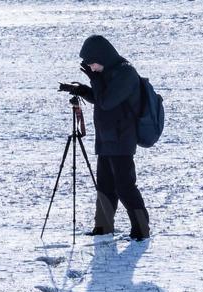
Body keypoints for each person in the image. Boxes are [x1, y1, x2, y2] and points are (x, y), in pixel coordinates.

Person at [59, 35, 149, 241]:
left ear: (103, 56)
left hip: (122, 139)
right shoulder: (108, 73)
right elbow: (101, 99)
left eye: (92, 63)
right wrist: (80, 90)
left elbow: (107, 101)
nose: (91, 67)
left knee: (124, 186)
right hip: (106, 138)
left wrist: (94, 80)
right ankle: (103, 227)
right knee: (105, 187)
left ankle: (142, 228)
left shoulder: (126, 73)